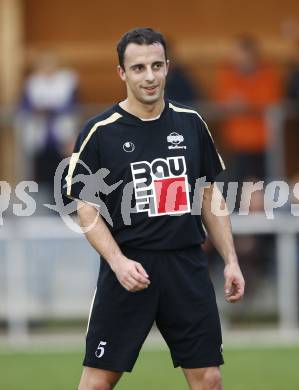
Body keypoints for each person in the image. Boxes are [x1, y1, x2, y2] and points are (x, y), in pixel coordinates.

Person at [63, 28, 245, 390]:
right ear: (122, 73)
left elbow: (209, 196)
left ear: (167, 68)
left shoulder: (191, 124)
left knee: (209, 379)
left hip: (186, 267)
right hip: (129, 268)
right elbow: (86, 210)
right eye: (139, 68)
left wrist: (231, 260)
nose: (149, 76)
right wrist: (118, 262)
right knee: (96, 383)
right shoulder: (99, 132)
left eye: (156, 66)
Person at [215, 35, 281, 182]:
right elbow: (222, 101)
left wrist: (246, 104)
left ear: (250, 53)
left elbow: (271, 101)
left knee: (265, 188)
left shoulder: (267, 73)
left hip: (264, 143)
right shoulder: (228, 74)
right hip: (236, 144)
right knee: (238, 188)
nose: (233, 57)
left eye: (237, 52)